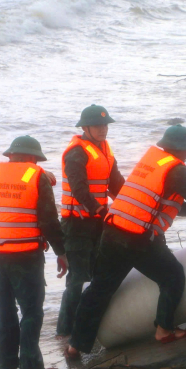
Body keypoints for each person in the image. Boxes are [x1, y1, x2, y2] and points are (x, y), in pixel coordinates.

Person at [64, 125, 186, 358]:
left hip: (112, 231)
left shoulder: (152, 161)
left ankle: (75, 345)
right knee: (172, 276)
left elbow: (157, 199)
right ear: (183, 151)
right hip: (137, 240)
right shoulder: (177, 170)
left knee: (99, 289)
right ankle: (164, 330)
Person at [0, 136, 65, 369]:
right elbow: (49, 220)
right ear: (32, 158)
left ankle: (6, 368)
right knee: (31, 311)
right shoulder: (37, 177)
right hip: (26, 254)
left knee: (5, 310)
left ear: (10, 156)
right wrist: (62, 252)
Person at [56, 105, 125, 338]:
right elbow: (78, 189)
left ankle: (88, 327)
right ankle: (65, 332)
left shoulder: (105, 149)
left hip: (98, 221)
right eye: (98, 125)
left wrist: (131, 204)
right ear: (85, 127)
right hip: (77, 224)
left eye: (105, 125)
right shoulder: (76, 152)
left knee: (96, 274)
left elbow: (116, 183)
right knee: (78, 278)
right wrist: (98, 209)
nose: (103, 129)